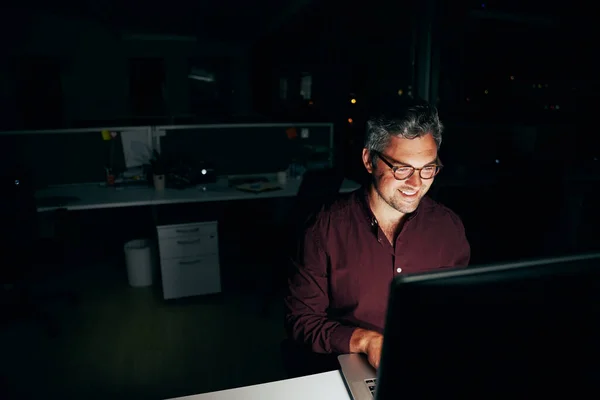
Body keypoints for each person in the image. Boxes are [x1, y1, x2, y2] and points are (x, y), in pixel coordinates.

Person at [284, 101, 470, 373]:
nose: (416, 184)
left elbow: (458, 309)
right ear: (369, 160)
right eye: (402, 168)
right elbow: (300, 320)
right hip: (348, 366)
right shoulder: (324, 228)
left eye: (428, 168)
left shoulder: (448, 227)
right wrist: (364, 340)